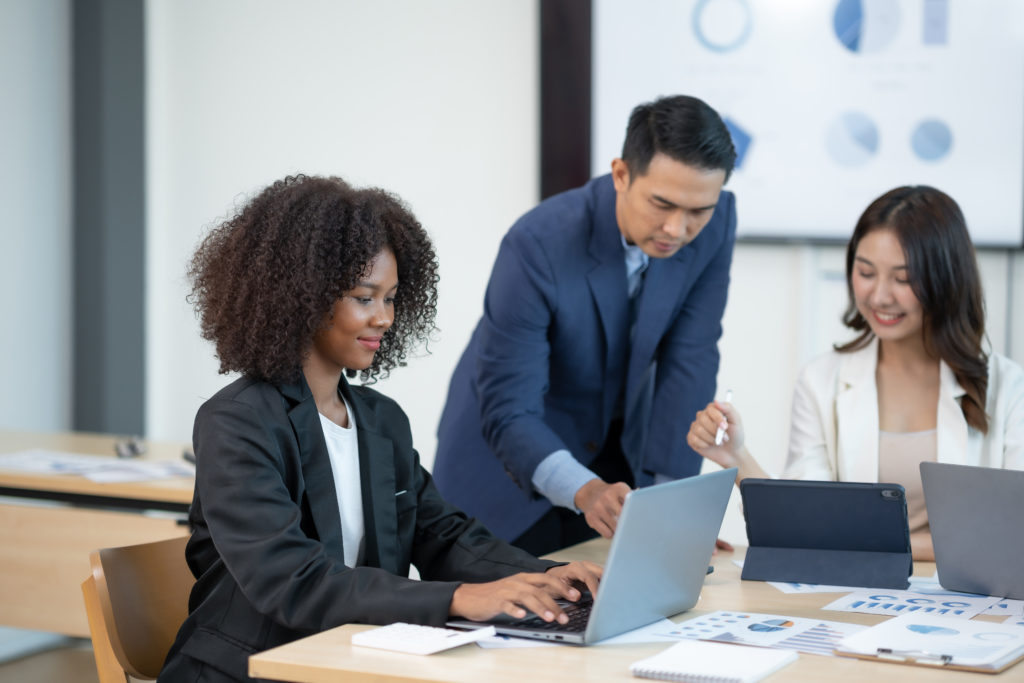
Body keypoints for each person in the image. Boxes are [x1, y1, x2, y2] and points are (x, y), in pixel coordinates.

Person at [158, 175, 601, 683]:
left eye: (391, 299)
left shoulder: (379, 418)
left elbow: (440, 534)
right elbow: (292, 581)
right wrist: (460, 598)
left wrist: (544, 576)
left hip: (350, 659)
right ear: (301, 298)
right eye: (364, 298)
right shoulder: (237, 421)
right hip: (246, 670)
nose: (385, 318)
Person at [433, 95, 738, 556]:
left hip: (613, 457)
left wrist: (669, 507)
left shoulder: (715, 223)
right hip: (508, 468)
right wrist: (586, 490)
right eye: (662, 204)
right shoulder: (537, 242)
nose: (678, 228)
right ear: (621, 175)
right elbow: (509, 408)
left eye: (698, 210)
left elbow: (690, 362)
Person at [687, 185, 1024, 561]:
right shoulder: (821, 380)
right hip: (857, 594)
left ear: (946, 278)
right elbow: (801, 525)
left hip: (968, 598)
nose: (880, 296)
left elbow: (1013, 534)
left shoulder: (1009, 389)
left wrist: (866, 543)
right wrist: (736, 457)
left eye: (903, 278)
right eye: (866, 272)